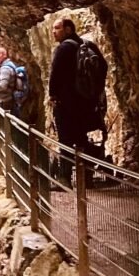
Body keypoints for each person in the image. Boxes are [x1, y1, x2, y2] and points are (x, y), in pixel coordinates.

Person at [48, 17, 92, 180]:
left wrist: (52, 95)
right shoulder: (84, 45)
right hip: (84, 100)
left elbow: (55, 74)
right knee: (81, 138)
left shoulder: (63, 48)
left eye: (57, 28)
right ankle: (86, 178)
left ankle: (64, 178)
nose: (54, 32)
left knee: (65, 140)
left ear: (68, 30)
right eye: (53, 28)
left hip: (65, 101)